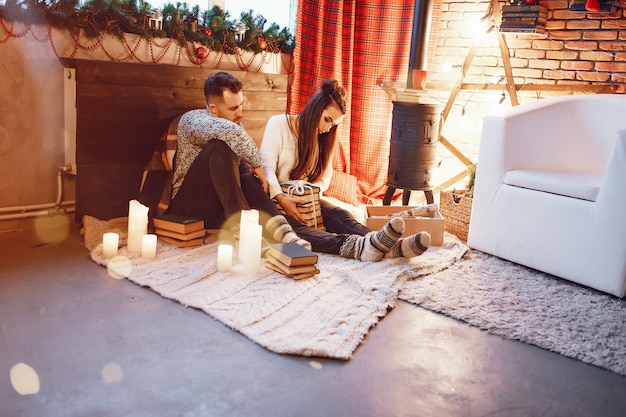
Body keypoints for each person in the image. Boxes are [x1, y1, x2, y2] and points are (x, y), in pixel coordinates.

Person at [260, 79, 432, 262]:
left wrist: (309, 197)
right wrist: (282, 198)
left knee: (341, 215)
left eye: (333, 124)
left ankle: (383, 243)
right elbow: (266, 167)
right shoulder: (278, 124)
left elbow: (325, 178)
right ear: (315, 109)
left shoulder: (324, 139)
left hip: (306, 200)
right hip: (276, 201)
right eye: (327, 119)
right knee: (300, 229)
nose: (327, 129)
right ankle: (373, 247)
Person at [165, 72, 310, 249]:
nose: (240, 113)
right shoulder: (192, 120)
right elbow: (230, 132)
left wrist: (264, 186)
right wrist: (257, 164)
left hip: (219, 208)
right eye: (233, 109)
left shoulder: (234, 127)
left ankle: (286, 234)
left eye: (241, 105)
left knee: (248, 179)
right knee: (220, 146)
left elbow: (237, 178)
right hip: (187, 209)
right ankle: (245, 234)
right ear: (213, 108)